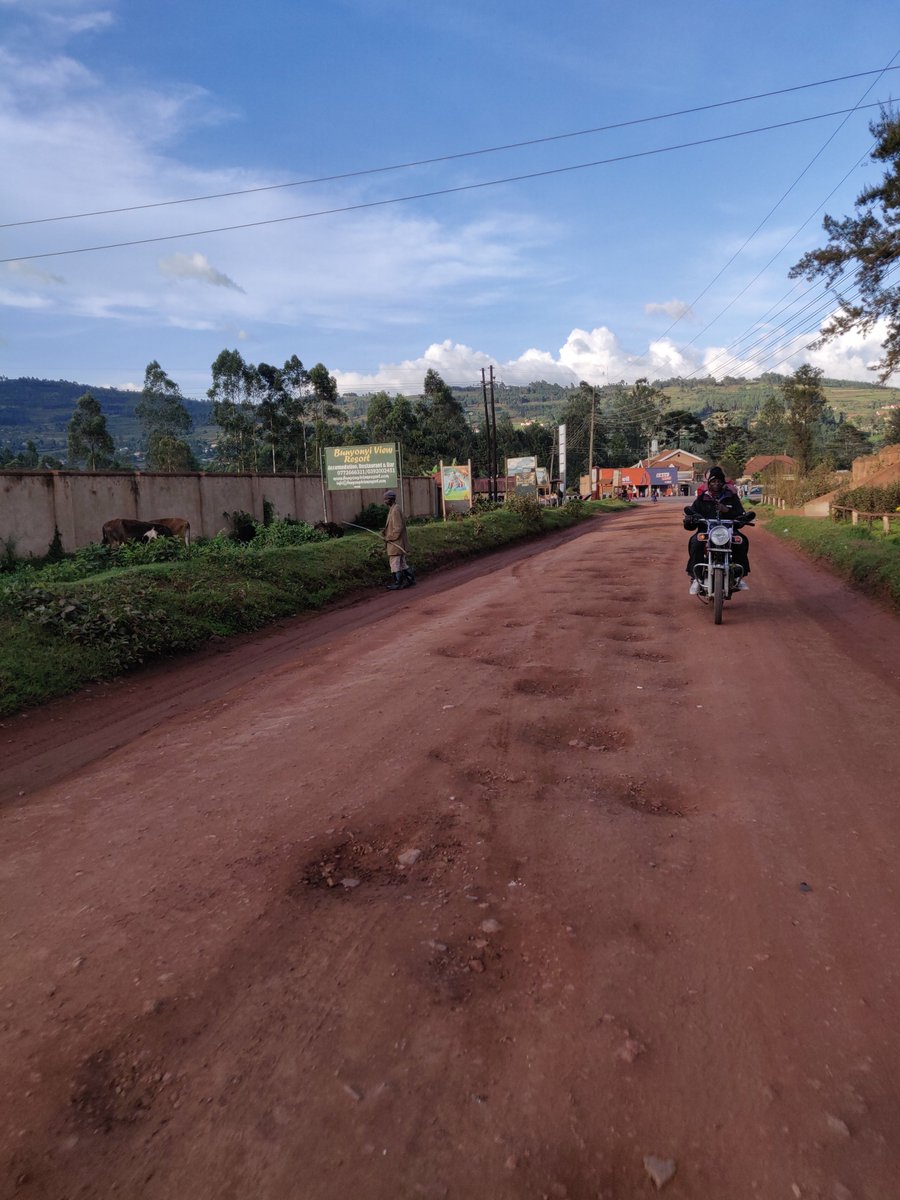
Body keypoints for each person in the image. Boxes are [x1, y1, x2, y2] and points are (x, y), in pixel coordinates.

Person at [684, 466, 751, 594]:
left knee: (741, 541)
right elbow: (692, 514)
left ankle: (738, 575)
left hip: (728, 532)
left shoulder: (731, 497)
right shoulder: (702, 498)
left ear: (723, 483)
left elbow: (741, 514)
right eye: (713, 481)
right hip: (707, 532)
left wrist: (727, 511)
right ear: (709, 483)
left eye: (719, 481)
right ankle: (695, 578)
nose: (716, 484)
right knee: (695, 542)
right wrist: (690, 519)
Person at [382, 489, 414, 590]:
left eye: (386, 499)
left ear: (391, 500)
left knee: (394, 563)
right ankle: (410, 579)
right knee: (402, 563)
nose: (385, 501)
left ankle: (397, 583)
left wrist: (389, 537)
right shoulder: (394, 508)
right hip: (398, 542)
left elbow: (398, 528)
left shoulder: (395, 510)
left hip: (396, 543)